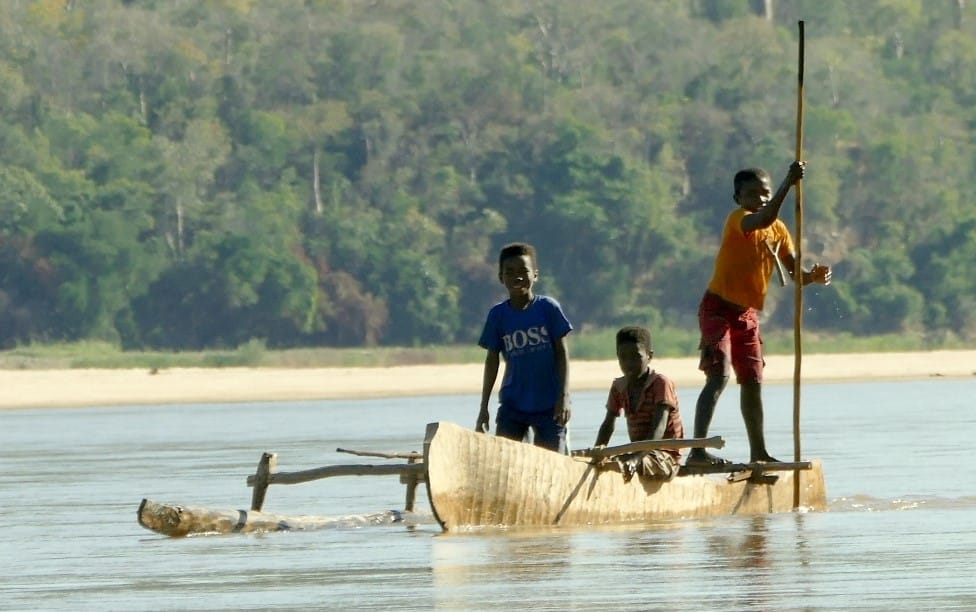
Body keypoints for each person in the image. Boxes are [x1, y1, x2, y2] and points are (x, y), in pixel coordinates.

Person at [686, 161, 831, 466]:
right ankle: (697, 451)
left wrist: (813, 276)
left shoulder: (778, 231)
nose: (761, 199)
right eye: (753, 194)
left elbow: (797, 277)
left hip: (746, 314)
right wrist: (787, 185)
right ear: (738, 198)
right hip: (718, 307)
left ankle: (759, 453)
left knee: (752, 381)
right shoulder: (739, 219)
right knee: (719, 374)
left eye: (765, 193)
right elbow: (764, 217)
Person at [476, 242, 572, 454]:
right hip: (513, 405)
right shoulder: (498, 315)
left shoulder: (548, 308)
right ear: (501, 278)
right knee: (505, 460)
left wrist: (563, 397)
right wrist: (484, 408)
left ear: (535, 275)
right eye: (510, 272)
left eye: (523, 271)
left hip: (550, 405)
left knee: (552, 463)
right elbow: (492, 361)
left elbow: (562, 353)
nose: (517, 277)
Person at [593, 326, 684, 481]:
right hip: (638, 453)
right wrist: (597, 453)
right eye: (623, 357)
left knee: (621, 466)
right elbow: (608, 424)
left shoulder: (660, 383)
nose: (629, 363)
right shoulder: (619, 387)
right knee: (604, 464)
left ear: (649, 356)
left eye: (636, 357)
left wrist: (636, 458)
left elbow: (658, 428)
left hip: (664, 456)